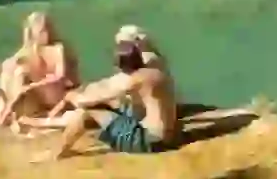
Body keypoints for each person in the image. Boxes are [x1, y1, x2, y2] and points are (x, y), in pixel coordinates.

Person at [25, 39, 178, 161]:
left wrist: (72, 96)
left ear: (120, 68)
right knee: (114, 106)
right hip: (170, 135)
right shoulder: (155, 72)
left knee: (89, 111)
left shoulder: (134, 80)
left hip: (151, 141)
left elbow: (86, 102)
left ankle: (59, 153)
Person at [0, 11, 80, 133]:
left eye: (47, 30)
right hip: (42, 93)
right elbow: (13, 60)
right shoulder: (31, 48)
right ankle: (1, 112)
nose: (46, 35)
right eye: (41, 32)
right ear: (32, 34)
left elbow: (60, 76)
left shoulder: (58, 48)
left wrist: (33, 85)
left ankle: (7, 115)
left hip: (56, 94)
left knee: (21, 75)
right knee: (12, 71)